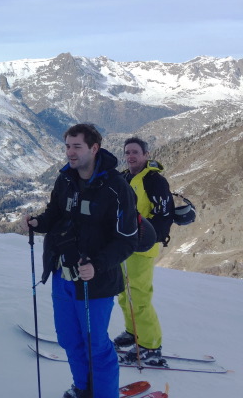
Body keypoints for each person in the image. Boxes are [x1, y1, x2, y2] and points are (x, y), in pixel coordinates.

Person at [25, 124, 138, 398]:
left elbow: (127, 240)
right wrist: (39, 222)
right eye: (67, 146)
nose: (70, 152)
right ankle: (83, 388)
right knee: (69, 339)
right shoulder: (65, 178)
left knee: (95, 345)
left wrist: (96, 265)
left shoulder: (116, 187)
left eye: (77, 146)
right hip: (62, 275)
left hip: (95, 282)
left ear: (94, 148)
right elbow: (56, 213)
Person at [114, 137, 174, 364]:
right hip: (122, 245)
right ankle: (133, 332)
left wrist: (148, 238)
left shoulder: (154, 181)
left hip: (142, 247)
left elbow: (164, 215)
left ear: (146, 155)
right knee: (124, 293)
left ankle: (150, 345)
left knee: (138, 297)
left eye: (135, 152)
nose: (131, 156)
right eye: (127, 152)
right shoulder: (124, 178)